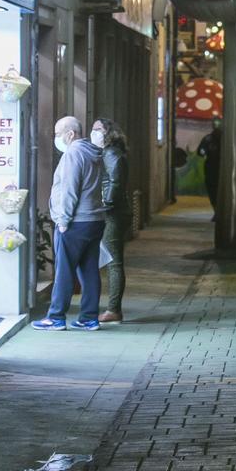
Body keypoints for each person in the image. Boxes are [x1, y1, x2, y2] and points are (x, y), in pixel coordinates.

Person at [33, 116, 106, 331]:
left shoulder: (73, 153)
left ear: (70, 133)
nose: (56, 138)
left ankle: (56, 317)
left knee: (64, 271)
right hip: (94, 220)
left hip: (75, 221)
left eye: (57, 134)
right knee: (89, 270)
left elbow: (69, 189)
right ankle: (89, 317)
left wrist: (63, 220)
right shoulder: (92, 152)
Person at [93, 118, 131, 324]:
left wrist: (106, 202)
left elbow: (115, 181)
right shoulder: (112, 152)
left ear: (108, 132)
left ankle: (113, 310)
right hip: (116, 211)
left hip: (113, 212)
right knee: (112, 259)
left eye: (97, 129)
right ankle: (112, 308)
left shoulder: (111, 153)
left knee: (114, 261)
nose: (94, 133)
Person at [197, 116, 222, 219]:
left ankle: (218, 211)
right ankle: (217, 211)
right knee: (213, 191)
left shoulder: (209, 139)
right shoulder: (208, 139)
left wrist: (205, 153)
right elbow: (201, 151)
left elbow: (201, 152)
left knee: (214, 191)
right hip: (213, 169)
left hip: (215, 168)